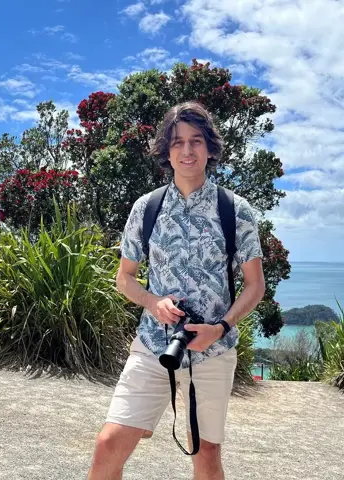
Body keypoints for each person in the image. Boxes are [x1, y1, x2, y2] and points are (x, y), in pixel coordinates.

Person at [87, 101, 265, 480]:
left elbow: (255, 285)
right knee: (108, 446)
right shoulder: (146, 208)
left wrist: (222, 327)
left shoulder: (235, 209)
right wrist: (153, 302)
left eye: (196, 141)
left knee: (206, 455)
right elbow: (125, 278)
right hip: (154, 344)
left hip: (213, 351)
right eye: (177, 142)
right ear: (166, 151)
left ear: (210, 147)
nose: (187, 151)